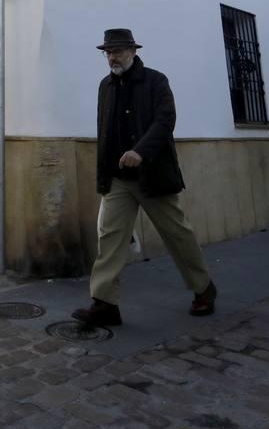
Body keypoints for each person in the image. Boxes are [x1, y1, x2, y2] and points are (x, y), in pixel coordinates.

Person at [72, 29, 217, 328]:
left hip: (152, 174)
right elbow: (105, 132)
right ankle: (105, 304)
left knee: (177, 234)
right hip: (117, 179)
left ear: (133, 51)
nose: (113, 56)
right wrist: (103, 175)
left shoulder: (156, 80)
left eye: (119, 50)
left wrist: (140, 151)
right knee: (110, 239)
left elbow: (165, 121)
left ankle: (204, 288)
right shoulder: (105, 86)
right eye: (108, 52)